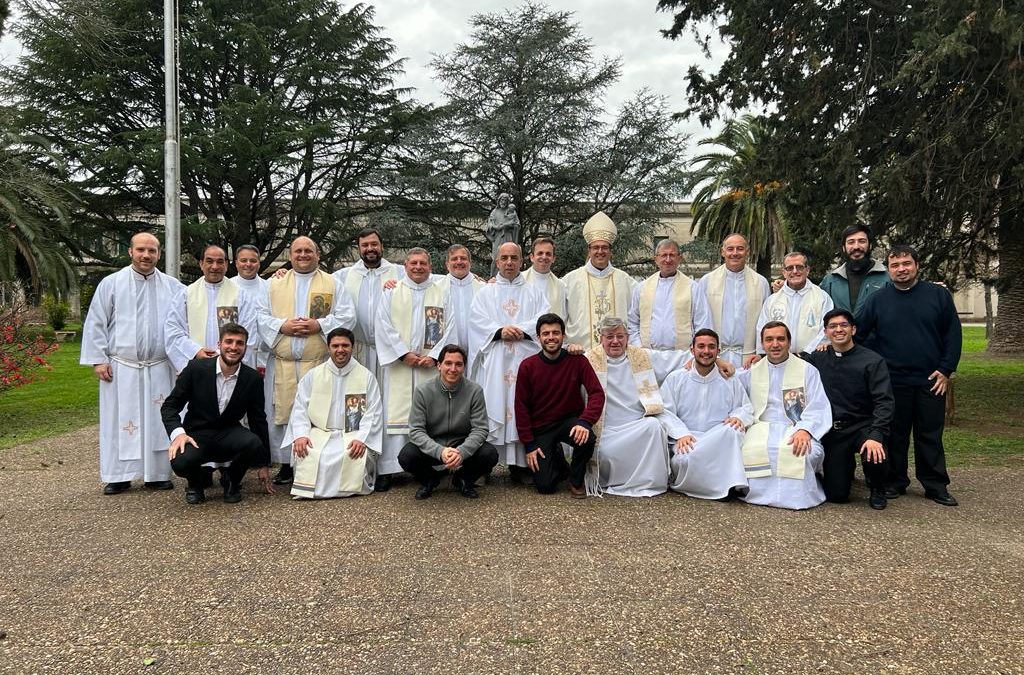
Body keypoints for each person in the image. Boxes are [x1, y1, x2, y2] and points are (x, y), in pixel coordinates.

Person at [855, 245, 962, 506]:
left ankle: (935, 485)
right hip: (892, 380)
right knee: (895, 435)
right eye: (895, 265)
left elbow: (952, 335)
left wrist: (946, 369)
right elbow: (858, 333)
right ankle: (895, 481)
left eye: (906, 264)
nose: (901, 269)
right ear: (889, 270)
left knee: (930, 435)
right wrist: (872, 364)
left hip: (931, 380)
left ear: (917, 265)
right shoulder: (878, 300)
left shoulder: (938, 295)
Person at [80, 231, 184, 495]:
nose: (146, 255)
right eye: (141, 250)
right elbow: (96, 322)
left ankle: (158, 474)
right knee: (119, 421)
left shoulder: (173, 286)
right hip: (122, 367)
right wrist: (98, 360)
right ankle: (118, 475)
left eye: (152, 251)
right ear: (130, 252)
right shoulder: (111, 284)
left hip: (160, 366)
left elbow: (185, 324)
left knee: (159, 421)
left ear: (159, 254)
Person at [255, 236, 357, 485]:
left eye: (308, 251)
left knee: (318, 413)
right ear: (290, 256)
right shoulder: (273, 284)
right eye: (298, 251)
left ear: (318, 255)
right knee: (286, 414)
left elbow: (347, 315)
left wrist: (318, 324)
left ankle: (315, 461)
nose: (303, 255)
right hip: (284, 364)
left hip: (317, 362)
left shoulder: (332, 283)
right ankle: (288, 465)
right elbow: (259, 316)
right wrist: (283, 325)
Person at [160, 323, 273, 504]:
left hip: (228, 433)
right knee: (180, 460)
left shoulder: (253, 379)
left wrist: (263, 464)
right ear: (219, 344)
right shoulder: (196, 369)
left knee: (253, 443)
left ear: (245, 347)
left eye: (239, 343)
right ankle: (195, 484)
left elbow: (258, 419)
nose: (234, 347)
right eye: (229, 341)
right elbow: (169, 406)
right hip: (197, 433)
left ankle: (231, 480)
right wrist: (178, 434)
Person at [374, 247, 455, 491]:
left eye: (423, 263)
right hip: (401, 366)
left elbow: (450, 326)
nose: (418, 267)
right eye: (413, 263)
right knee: (395, 414)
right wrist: (402, 354)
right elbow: (383, 324)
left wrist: (434, 356)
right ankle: (390, 468)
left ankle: (431, 467)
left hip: (430, 367)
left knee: (430, 416)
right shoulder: (392, 291)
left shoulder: (442, 292)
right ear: (405, 266)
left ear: (430, 266)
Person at [468, 242, 549, 480]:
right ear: (497, 261)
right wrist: (498, 331)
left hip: (525, 358)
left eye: (514, 258)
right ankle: (486, 464)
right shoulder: (485, 293)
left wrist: (520, 330)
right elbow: (476, 321)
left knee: (523, 407)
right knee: (494, 406)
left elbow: (543, 319)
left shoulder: (535, 291)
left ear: (522, 260)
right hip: (496, 361)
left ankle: (521, 465)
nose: (509, 262)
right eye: (504, 258)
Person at [585, 317, 691, 497]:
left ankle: (649, 483)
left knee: (654, 426)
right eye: (609, 336)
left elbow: (680, 357)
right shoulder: (589, 359)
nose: (615, 341)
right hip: (607, 428)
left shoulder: (641, 356)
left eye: (620, 336)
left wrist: (718, 361)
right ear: (600, 338)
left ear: (627, 337)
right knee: (604, 451)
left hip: (635, 424)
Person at [803, 309, 893, 510]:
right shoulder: (817, 359)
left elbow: (884, 401)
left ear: (853, 329)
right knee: (837, 495)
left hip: (863, 426)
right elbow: (789, 363)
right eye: (832, 326)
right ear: (825, 332)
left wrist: (876, 434)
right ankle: (841, 470)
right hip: (835, 431)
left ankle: (877, 487)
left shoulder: (872, 360)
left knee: (874, 453)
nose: (838, 330)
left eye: (843, 325)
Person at [737, 322, 832, 510]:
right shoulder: (751, 371)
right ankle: (757, 494)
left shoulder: (807, 370)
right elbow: (733, 390)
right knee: (755, 447)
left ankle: (798, 497)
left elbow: (818, 406)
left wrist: (805, 430)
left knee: (801, 450)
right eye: (769, 339)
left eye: (781, 339)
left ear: (789, 342)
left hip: (796, 426)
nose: (775, 344)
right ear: (762, 344)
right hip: (760, 425)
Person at [282, 327, 383, 498]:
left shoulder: (366, 377)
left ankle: (349, 488)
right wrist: (300, 435)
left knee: (351, 453)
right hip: (320, 432)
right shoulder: (313, 375)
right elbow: (300, 409)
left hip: (354, 433)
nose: (340, 350)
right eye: (335, 346)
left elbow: (373, 413)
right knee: (308, 451)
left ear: (353, 347)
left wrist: (362, 439)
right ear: (328, 348)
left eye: (345, 345)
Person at [514, 313, 605, 497]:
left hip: (569, 422)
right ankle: (558, 460)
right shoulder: (527, 366)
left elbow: (597, 393)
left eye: (555, 333)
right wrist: (529, 444)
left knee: (587, 439)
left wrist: (585, 422)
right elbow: (521, 407)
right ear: (538, 337)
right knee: (545, 487)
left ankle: (576, 479)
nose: (551, 337)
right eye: (545, 333)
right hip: (541, 428)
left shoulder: (578, 360)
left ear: (563, 336)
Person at [660, 329, 753, 500]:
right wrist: (681, 434)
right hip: (689, 439)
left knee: (732, 430)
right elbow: (664, 412)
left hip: (719, 439)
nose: (706, 351)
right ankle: (721, 486)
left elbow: (746, 407)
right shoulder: (676, 379)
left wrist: (738, 416)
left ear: (719, 351)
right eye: (701, 346)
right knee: (684, 460)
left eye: (711, 347)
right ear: (692, 349)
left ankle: (727, 486)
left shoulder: (729, 380)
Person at [399, 345, 499, 499]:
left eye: (458, 364)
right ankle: (430, 479)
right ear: (439, 365)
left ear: (464, 367)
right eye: (448, 363)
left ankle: (463, 479)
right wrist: (440, 451)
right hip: (435, 445)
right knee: (406, 456)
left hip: (461, 444)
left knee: (490, 454)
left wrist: (462, 451)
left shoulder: (475, 391)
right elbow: (416, 430)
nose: (453, 369)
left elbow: (480, 429)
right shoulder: (423, 391)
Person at [165, 244, 258, 373]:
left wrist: (222, 357)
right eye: (209, 261)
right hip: (196, 367)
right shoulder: (186, 294)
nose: (215, 267)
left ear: (226, 264)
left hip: (230, 367)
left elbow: (249, 333)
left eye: (220, 262)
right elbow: (174, 331)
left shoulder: (240, 296)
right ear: (201, 264)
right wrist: (196, 351)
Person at [333, 228, 404, 377]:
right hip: (358, 349)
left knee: (389, 395)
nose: (370, 248)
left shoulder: (400, 273)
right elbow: (317, 281)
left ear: (382, 246)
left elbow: (430, 281)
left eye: (374, 244)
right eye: (365, 245)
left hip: (391, 351)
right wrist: (283, 274)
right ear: (358, 249)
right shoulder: (343, 276)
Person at [562, 212, 638, 348]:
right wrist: (567, 346)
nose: (600, 251)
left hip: (617, 354)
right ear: (589, 251)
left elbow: (636, 318)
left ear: (610, 251)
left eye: (604, 247)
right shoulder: (570, 280)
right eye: (596, 247)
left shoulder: (626, 281)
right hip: (580, 353)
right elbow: (560, 317)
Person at [697, 233, 771, 368]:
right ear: (723, 252)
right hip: (715, 357)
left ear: (747, 252)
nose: (735, 253)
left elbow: (766, 321)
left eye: (740, 249)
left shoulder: (761, 283)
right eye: (730, 249)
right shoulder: (707, 281)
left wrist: (761, 353)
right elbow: (701, 319)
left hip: (749, 358)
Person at [627, 239, 712, 350]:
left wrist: (696, 350)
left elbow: (702, 322)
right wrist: (639, 347)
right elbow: (632, 322)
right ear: (656, 259)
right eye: (663, 255)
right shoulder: (642, 288)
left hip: (682, 355)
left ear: (679, 258)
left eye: (672, 255)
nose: (668, 259)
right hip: (648, 354)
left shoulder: (692, 288)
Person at [756, 251, 834, 355]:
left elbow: (827, 328)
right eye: (790, 268)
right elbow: (762, 329)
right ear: (784, 272)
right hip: (780, 359)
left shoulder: (822, 297)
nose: (795, 271)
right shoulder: (772, 301)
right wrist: (763, 355)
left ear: (807, 270)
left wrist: (806, 354)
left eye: (799, 267)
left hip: (813, 358)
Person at [432, 244, 484, 370]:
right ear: (447, 264)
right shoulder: (435, 289)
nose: (459, 262)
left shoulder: (483, 289)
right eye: (454, 259)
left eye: (463, 258)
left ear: (470, 262)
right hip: (447, 356)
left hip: (477, 354)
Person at [819, 224, 890, 314]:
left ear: (870, 245)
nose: (856, 247)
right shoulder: (830, 282)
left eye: (862, 241)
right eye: (851, 242)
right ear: (844, 248)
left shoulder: (887, 278)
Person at [232, 244, 269, 372]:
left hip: (265, 356)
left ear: (259, 263)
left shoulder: (269, 288)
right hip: (235, 355)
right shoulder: (227, 287)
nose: (248, 264)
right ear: (236, 263)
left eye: (253, 261)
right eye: (243, 260)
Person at [522, 236, 567, 318]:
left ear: (553, 258)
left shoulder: (561, 286)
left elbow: (563, 316)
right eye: (540, 253)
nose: (544, 257)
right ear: (532, 257)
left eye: (548, 254)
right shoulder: (519, 280)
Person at [485, 193, 521, 276]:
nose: (503, 202)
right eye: (502, 200)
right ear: (499, 200)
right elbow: (489, 225)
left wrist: (508, 225)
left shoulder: (512, 211)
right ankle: (493, 277)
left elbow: (517, 225)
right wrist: (496, 227)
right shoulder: (494, 212)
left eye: (505, 200)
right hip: (498, 237)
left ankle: (510, 276)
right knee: (496, 257)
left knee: (509, 256)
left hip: (508, 237)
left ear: (508, 201)